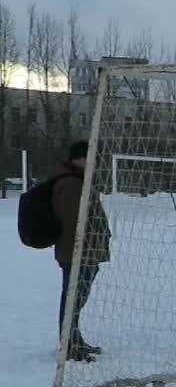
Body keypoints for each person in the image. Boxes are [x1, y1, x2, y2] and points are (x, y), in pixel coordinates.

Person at [51, 140, 111, 362]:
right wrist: (87, 243)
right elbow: (72, 221)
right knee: (73, 298)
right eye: (91, 157)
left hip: (86, 251)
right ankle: (69, 344)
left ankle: (75, 339)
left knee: (77, 298)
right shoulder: (71, 183)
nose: (94, 163)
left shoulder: (78, 180)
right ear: (81, 158)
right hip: (76, 252)